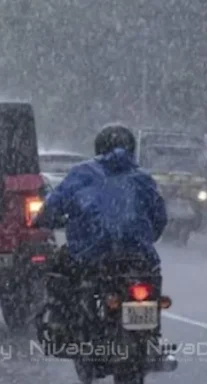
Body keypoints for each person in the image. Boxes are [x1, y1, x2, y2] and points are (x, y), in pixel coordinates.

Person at [33, 124, 166, 334]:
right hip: (138, 254)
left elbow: (53, 205)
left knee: (59, 268)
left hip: (91, 254)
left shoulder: (82, 173)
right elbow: (159, 217)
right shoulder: (143, 178)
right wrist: (144, 239)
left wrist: (41, 219)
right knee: (152, 277)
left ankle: (62, 323)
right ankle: (151, 335)